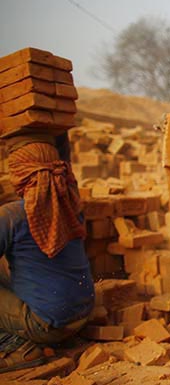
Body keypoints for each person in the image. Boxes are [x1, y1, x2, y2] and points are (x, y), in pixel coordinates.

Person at [0, 141, 94, 373]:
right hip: (83, 315)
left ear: (22, 174)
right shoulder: (72, 207)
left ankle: (17, 348)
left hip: (47, 325)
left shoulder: (12, 215)